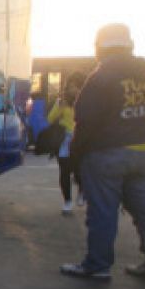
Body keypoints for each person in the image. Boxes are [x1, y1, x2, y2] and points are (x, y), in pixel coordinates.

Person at [60, 23, 145, 281]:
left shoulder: (102, 77)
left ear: (99, 47)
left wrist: (76, 156)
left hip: (106, 155)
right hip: (143, 154)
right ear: (130, 45)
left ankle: (97, 266)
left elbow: (85, 121)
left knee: (102, 212)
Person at [48, 74, 85, 214]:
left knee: (79, 171)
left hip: (81, 141)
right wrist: (59, 107)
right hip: (64, 142)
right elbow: (50, 119)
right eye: (71, 87)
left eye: (77, 87)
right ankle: (67, 201)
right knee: (64, 172)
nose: (74, 90)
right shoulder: (61, 102)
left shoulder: (88, 101)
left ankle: (82, 191)